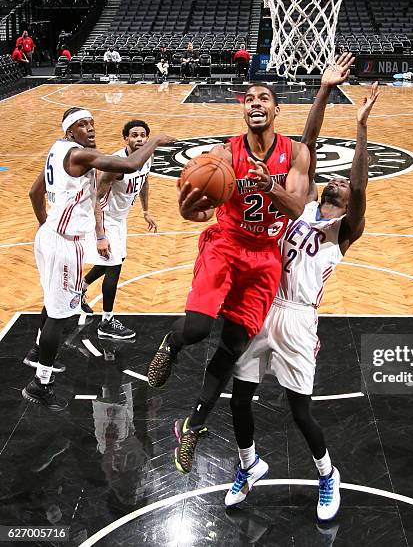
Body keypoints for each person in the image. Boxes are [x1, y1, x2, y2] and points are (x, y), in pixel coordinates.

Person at [225, 69, 378, 525]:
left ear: (349, 200)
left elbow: (362, 184)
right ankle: (249, 464)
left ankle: (328, 474)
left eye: (344, 186)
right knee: (239, 398)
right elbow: (303, 147)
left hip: (297, 319)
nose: (339, 183)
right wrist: (325, 90)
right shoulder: (304, 202)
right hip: (263, 302)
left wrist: (361, 128)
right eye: (336, 181)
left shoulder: (343, 230)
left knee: (300, 411)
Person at [146, 81, 314, 474]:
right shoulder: (224, 154)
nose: (256, 104)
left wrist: (269, 185)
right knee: (200, 328)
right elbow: (202, 212)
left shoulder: (296, 153)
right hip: (226, 244)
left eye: (264, 99)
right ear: (244, 112)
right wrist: (190, 212)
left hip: (265, 259)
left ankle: (194, 425)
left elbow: (296, 208)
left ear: (276, 110)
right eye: (250, 100)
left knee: (234, 344)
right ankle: (173, 342)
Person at [22, 107, 173, 410]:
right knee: (60, 315)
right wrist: (155, 139)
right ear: (70, 131)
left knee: (56, 303)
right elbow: (130, 163)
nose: (90, 128)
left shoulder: (57, 150)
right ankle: (41, 382)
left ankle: (38, 352)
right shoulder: (79, 155)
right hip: (65, 244)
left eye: (92, 123)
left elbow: (34, 192)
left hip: (52, 237)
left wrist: (45, 225)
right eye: (82, 125)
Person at [81, 120, 157, 340]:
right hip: (105, 218)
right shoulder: (116, 164)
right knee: (114, 267)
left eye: (143, 135)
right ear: (126, 139)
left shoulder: (146, 157)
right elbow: (96, 199)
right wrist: (101, 234)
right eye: (134, 135)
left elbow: (144, 182)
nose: (139, 139)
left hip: (120, 219)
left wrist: (145, 211)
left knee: (115, 260)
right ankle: (106, 322)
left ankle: (80, 288)